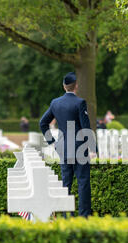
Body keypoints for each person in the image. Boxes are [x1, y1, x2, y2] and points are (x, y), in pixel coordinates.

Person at [39, 72, 94, 218]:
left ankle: (65, 216)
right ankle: (84, 216)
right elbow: (86, 128)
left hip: (62, 147)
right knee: (83, 182)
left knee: (66, 184)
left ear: (64, 86)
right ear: (76, 86)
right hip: (79, 148)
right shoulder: (80, 102)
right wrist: (92, 148)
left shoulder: (55, 103)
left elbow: (42, 123)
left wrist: (52, 143)